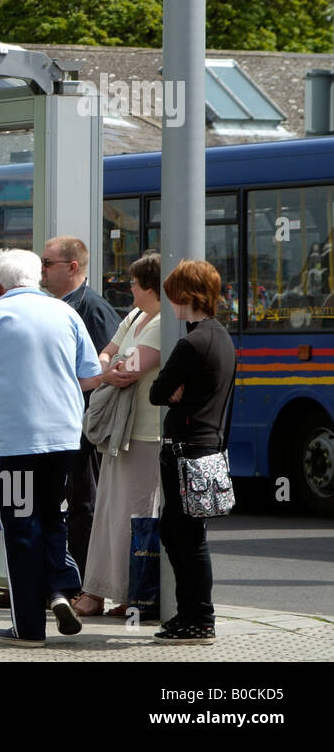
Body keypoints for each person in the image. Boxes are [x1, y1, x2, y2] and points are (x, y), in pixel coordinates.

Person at [0, 248, 103, 646]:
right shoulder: (66, 313)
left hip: (16, 443)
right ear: (37, 278)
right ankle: (59, 588)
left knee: (21, 528)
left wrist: (5, 405)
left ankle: (28, 628)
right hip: (65, 440)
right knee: (53, 516)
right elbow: (91, 378)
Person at [149, 260, 235, 644]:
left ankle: (198, 619)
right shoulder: (221, 338)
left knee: (184, 536)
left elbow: (156, 393)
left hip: (184, 451)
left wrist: (174, 390)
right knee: (184, 532)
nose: (170, 303)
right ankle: (190, 616)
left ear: (185, 295)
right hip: (209, 448)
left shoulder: (191, 343)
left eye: (172, 295)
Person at [73, 253, 163, 619]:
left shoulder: (161, 325)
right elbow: (107, 357)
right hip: (119, 433)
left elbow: (129, 368)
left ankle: (131, 594)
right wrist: (113, 365)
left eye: (134, 283)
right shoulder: (136, 316)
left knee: (135, 514)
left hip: (145, 434)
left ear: (150, 287)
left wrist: (112, 366)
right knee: (109, 513)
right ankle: (98, 590)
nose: (129, 288)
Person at [40, 236, 121, 584]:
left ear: (72, 267)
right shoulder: (53, 305)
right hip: (57, 424)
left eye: (48, 263)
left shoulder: (93, 309)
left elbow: (106, 374)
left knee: (82, 504)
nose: (41, 270)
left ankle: (82, 585)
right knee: (47, 505)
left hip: (82, 427)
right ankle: (41, 581)